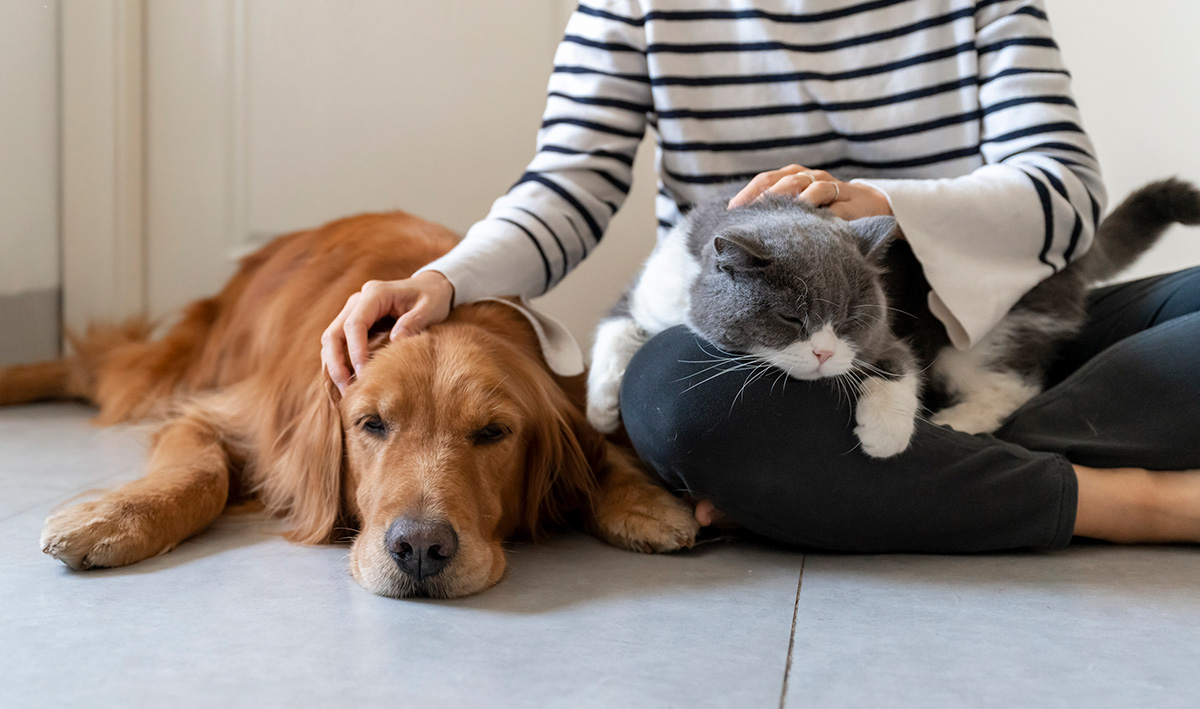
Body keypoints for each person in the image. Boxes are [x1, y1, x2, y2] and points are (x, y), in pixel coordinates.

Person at [321, 1, 1200, 550]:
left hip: (973, 327)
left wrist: (878, 203)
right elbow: (569, 185)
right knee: (681, 404)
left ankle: (846, 483)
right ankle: (1125, 500)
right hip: (746, 357)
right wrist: (448, 278)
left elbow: (1065, 189)